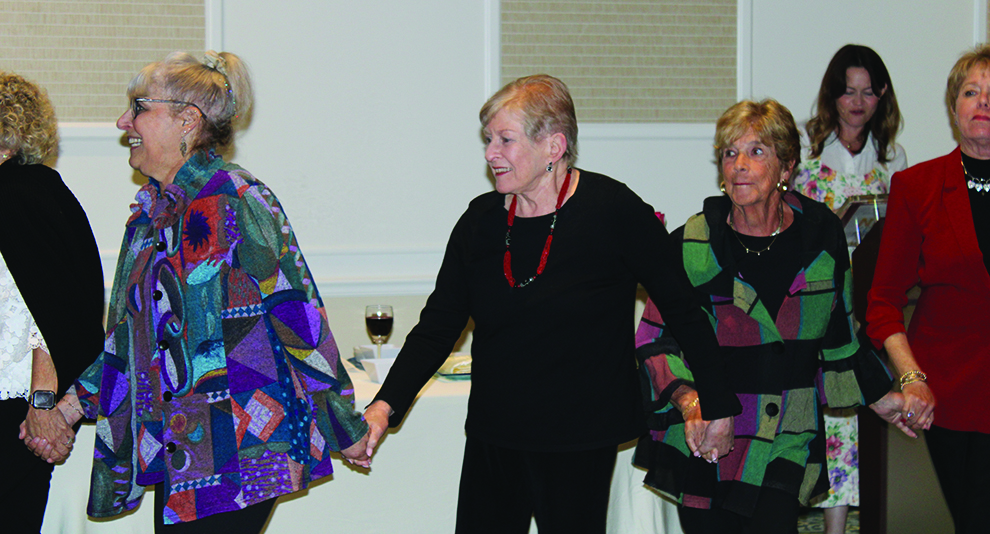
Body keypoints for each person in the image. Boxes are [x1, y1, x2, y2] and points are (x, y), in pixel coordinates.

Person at [24, 51, 370, 532]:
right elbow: (126, 342)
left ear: (187, 120)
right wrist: (64, 410)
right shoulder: (149, 218)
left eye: (139, 108)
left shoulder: (236, 197)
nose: (123, 122)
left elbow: (297, 315)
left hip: (245, 449)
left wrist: (343, 424)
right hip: (182, 447)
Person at [362, 74, 723, 533]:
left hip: (580, 440)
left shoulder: (613, 211)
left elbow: (683, 309)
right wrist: (384, 405)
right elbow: (437, 326)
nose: (490, 153)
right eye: (488, 139)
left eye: (505, 139)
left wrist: (717, 402)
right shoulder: (480, 222)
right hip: (495, 435)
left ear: (553, 146)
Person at [633, 99, 913, 534]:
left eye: (756, 152)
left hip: (786, 432)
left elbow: (839, 336)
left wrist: (881, 396)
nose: (739, 165)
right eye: (730, 153)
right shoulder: (693, 244)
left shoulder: (821, 237)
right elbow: (654, 340)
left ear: (786, 167)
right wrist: (692, 403)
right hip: (708, 432)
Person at [866, 43, 990, 534]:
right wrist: (911, 377)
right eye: (971, 91)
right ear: (953, 107)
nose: (983, 102)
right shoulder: (917, 186)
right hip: (949, 392)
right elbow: (882, 301)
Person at [791, 44, 907, 534]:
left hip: (872, 303)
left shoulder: (893, 158)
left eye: (868, 92)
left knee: (859, 414)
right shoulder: (808, 152)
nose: (858, 103)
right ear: (832, 96)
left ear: (882, 96)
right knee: (823, 411)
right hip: (820, 300)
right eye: (848, 92)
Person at [0, 71, 104, 533]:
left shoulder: (18, 195)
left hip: (14, 409)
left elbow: (50, 315)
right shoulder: (36, 191)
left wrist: (44, 407)